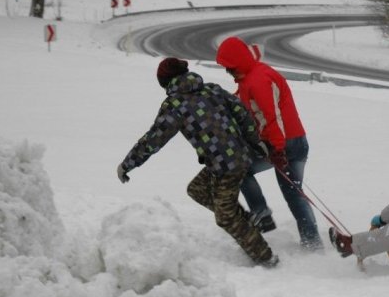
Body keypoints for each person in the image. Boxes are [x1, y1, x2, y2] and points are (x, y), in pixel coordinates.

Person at [117, 57, 279, 268]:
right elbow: (241, 112)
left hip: (227, 166)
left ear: (165, 82)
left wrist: (127, 164)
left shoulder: (175, 105)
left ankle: (266, 258)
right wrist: (255, 142)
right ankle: (247, 225)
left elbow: (154, 139)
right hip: (232, 158)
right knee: (197, 189)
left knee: (225, 218)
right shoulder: (211, 89)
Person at [215, 36, 323, 250]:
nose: (228, 71)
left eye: (229, 67)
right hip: (284, 142)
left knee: (243, 171)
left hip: (287, 144)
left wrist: (278, 150)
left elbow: (272, 117)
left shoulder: (259, 80)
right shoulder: (250, 77)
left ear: (238, 62)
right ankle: (311, 242)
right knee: (293, 193)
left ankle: (266, 214)